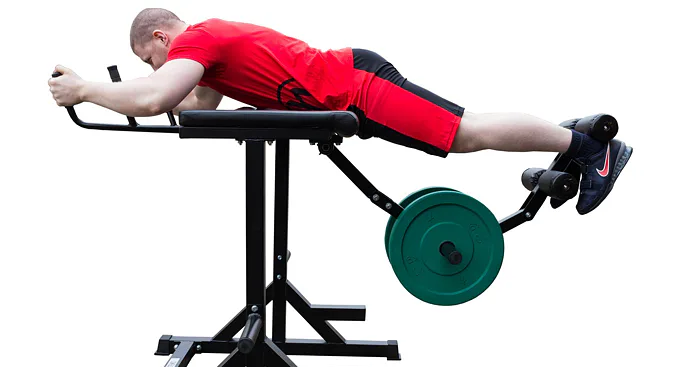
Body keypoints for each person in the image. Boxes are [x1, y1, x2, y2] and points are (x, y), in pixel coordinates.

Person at [48, 8, 632, 215]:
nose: (154, 67)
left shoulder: (198, 39)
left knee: (465, 133)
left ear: (159, 37)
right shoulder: (209, 53)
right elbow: (188, 106)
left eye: (148, 59)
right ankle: (570, 139)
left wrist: (86, 89)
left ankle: (587, 146)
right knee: (464, 135)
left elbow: (155, 97)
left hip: (356, 85)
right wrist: (127, 99)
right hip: (349, 88)